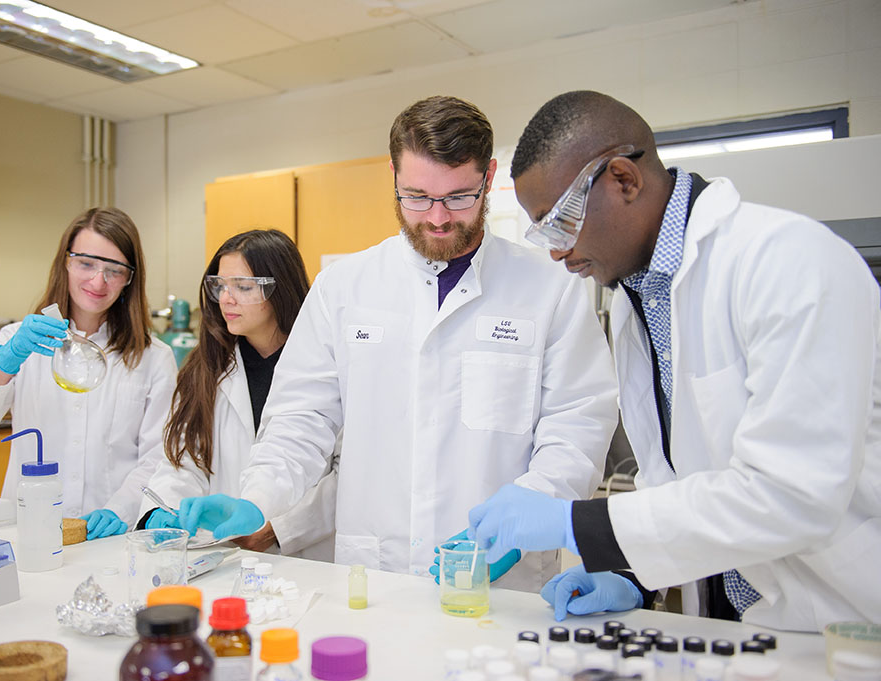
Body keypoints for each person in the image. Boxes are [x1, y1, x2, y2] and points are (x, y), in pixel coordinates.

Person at [468, 90, 881, 631]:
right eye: (542, 231)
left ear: (624, 179)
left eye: (561, 220)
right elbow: (681, 485)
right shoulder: (639, 303)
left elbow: (790, 494)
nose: (555, 251)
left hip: (845, 623)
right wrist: (634, 577)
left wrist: (580, 524)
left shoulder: (789, 263)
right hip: (743, 625)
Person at [172, 95, 619, 591]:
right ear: (393, 176)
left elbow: (577, 426)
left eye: (458, 197)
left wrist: (524, 515)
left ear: (489, 177)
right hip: (375, 572)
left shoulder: (547, 286)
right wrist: (258, 498)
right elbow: (302, 419)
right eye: (417, 196)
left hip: (502, 580)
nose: (437, 218)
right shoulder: (344, 287)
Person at [0, 207, 178, 540]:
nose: (98, 281)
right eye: (86, 263)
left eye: (114, 270)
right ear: (65, 262)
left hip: (110, 539)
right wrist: (8, 360)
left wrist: (121, 508)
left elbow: (159, 455)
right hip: (27, 532)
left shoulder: (154, 358)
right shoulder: (17, 341)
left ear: (129, 279)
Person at [138, 229, 336, 560]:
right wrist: (164, 511)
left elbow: (344, 474)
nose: (227, 298)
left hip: (309, 556)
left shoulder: (323, 367)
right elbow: (185, 461)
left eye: (243, 287)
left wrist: (277, 528)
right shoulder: (205, 369)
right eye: (220, 286)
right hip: (226, 556)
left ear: (281, 289)